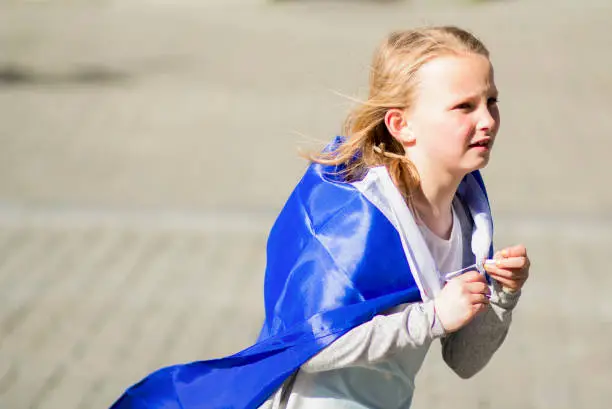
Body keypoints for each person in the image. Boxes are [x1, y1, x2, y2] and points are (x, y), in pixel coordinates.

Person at [110, 26, 530, 409]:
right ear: (401, 124)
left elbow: (464, 361)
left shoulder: (467, 215)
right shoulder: (356, 214)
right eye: (464, 106)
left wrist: (502, 296)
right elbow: (313, 344)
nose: (487, 120)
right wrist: (432, 317)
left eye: (491, 100)